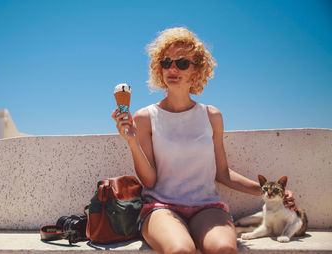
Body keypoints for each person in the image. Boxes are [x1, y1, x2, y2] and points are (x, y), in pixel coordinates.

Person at [112, 27, 295, 254]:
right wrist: (132, 142)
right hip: (161, 208)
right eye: (166, 62)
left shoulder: (212, 116)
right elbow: (149, 181)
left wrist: (269, 192)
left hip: (207, 207)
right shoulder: (144, 117)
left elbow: (223, 173)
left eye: (182, 63)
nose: (172, 68)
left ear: (196, 70)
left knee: (224, 249)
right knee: (181, 250)